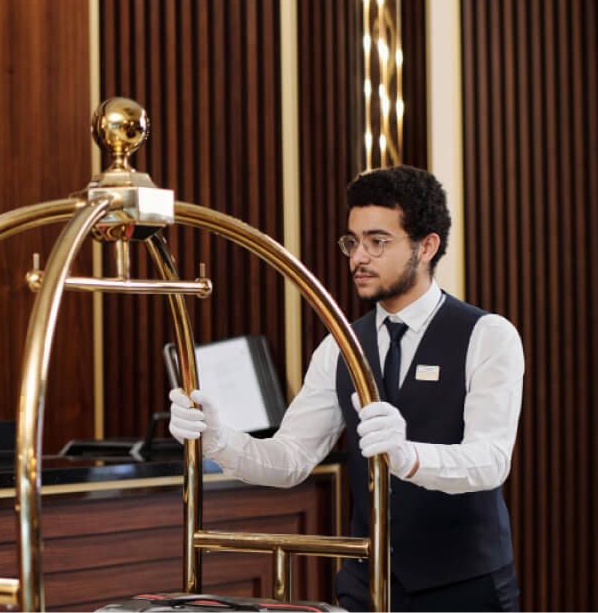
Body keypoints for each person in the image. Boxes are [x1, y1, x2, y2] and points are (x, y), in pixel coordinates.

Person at [169, 166, 522, 611]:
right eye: (352, 242)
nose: (359, 257)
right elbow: (291, 459)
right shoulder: (340, 345)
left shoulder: (487, 335)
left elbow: (491, 461)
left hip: (466, 586)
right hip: (366, 583)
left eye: (378, 241)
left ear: (426, 246)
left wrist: (409, 457)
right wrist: (219, 440)